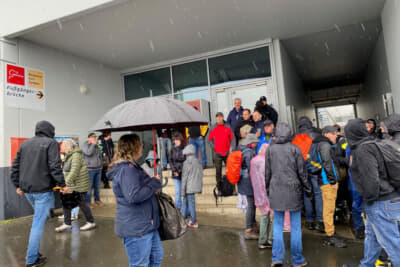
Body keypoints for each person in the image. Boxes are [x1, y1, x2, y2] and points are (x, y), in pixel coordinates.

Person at [10, 121, 69, 267]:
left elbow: (15, 166)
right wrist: (62, 184)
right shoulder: (51, 143)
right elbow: (55, 166)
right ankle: (31, 260)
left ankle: (34, 252)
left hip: (27, 190)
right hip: (42, 191)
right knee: (37, 224)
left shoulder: (25, 144)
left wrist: (17, 185)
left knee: (38, 219)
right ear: (50, 131)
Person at [343, 118, 400, 267]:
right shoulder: (374, 143)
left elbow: (371, 181)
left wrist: (368, 200)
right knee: (372, 237)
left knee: (392, 245)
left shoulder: (363, 150)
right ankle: (366, 265)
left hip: (380, 202)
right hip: (387, 199)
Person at [107, 134, 163, 267]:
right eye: (140, 144)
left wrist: (151, 182)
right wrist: (153, 183)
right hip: (137, 228)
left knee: (156, 258)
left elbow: (137, 188)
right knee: (140, 264)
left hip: (146, 224)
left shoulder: (132, 167)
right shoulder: (127, 169)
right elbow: (133, 196)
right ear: (135, 147)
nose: (142, 146)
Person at [265, 123, 311, 267]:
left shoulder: (270, 150)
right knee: (295, 226)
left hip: (276, 190)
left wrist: (268, 189)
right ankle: (297, 260)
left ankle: (277, 258)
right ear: (290, 134)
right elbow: (302, 173)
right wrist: (308, 189)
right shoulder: (295, 149)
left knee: (278, 225)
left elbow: (267, 173)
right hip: (294, 191)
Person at [314, 126, 346, 248]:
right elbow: (327, 163)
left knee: (330, 208)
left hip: (327, 181)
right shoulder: (325, 145)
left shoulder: (323, 144)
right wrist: (332, 180)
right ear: (326, 134)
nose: (336, 136)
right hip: (328, 182)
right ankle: (330, 235)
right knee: (329, 209)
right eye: (334, 133)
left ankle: (331, 232)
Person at [55, 139, 96, 232]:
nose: (62, 149)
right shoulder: (69, 156)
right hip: (72, 185)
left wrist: (65, 184)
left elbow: (74, 172)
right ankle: (67, 223)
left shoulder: (76, 155)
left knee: (81, 203)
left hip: (79, 186)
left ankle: (91, 222)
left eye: (63, 147)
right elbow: (67, 170)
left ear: (68, 147)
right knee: (66, 202)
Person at [296, 116, 324, 233]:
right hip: (315, 170)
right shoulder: (317, 136)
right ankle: (320, 221)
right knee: (318, 195)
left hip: (302, 172)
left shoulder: (296, 138)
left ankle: (309, 221)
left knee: (307, 195)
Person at [237, 133, 260, 240]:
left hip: (242, 181)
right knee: (251, 205)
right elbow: (252, 169)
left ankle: (253, 224)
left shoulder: (241, 149)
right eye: (255, 142)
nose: (256, 144)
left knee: (251, 204)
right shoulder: (249, 153)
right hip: (248, 182)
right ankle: (248, 229)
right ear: (251, 142)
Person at [250, 143, 273, 249]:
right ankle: (269, 239)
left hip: (258, 192)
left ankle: (263, 240)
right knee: (273, 216)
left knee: (264, 216)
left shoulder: (254, 160)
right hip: (267, 192)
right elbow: (266, 178)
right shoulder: (266, 161)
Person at [181, 144, 203, 228]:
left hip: (188, 187)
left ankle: (194, 221)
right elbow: (200, 175)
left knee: (190, 204)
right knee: (185, 203)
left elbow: (184, 178)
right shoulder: (198, 161)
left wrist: (182, 191)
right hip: (194, 186)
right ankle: (182, 220)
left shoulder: (186, 163)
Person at [209, 112, 233, 186]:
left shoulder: (228, 126)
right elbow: (209, 140)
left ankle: (232, 188)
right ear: (216, 119)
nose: (219, 119)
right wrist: (214, 147)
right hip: (217, 154)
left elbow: (233, 138)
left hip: (227, 153)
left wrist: (231, 149)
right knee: (218, 171)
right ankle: (219, 189)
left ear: (223, 118)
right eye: (217, 117)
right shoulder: (212, 127)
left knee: (230, 171)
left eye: (220, 117)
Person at [82, 133, 104, 209]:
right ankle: (88, 202)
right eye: (92, 137)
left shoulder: (96, 146)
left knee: (97, 186)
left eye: (95, 137)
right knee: (89, 187)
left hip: (98, 169)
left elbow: (99, 155)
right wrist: (93, 145)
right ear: (89, 138)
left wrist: (101, 164)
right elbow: (88, 153)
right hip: (89, 169)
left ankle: (97, 200)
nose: (94, 139)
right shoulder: (86, 145)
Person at [169, 132, 186, 210]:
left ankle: (186, 209)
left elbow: (186, 161)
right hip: (175, 174)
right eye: (174, 140)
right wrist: (175, 171)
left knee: (186, 192)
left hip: (184, 173)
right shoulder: (172, 149)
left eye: (177, 139)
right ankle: (178, 208)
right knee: (178, 191)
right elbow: (170, 161)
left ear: (181, 140)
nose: (175, 141)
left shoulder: (185, 148)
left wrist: (179, 171)